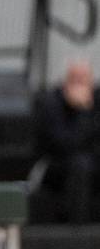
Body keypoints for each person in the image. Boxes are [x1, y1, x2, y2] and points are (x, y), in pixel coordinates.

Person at [33, 60, 100, 223]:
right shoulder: (51, 104)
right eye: (74, 79)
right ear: (65, 82)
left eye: (83, 80)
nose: (79, 86)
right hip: (59, 167)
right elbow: (65, 145)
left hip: (93, 163)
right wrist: (83, 111)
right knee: (81, 165)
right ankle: (78, 233)